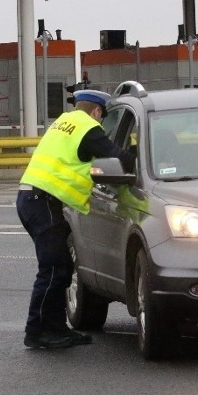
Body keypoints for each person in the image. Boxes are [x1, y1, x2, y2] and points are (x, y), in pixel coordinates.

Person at [17, 89, 136, 349]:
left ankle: (56, 329)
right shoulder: (88, 128)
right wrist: (138, 157)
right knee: (53, 270)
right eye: (102, 117)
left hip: (33, 199)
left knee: (60, 268)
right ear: (96, 112)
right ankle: (37, 332)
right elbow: (116, 155)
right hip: (42, 201)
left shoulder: (64, 121)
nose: (101, 123)